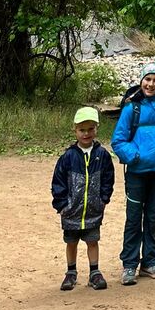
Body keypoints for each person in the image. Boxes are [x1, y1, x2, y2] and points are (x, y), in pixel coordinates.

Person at [111, 61, 155, 286]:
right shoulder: (132, 108)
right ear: (141, 81)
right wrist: (135, 156)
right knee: (133, 219)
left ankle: (150, 262)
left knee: (151, 217)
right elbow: (119, 140)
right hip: (137, 174)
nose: (151, 84)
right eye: (147, 79)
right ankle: (129, 264)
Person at [51, 106, 115, 291]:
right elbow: (58, 181)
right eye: (82, 129)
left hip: (93, 209)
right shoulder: (68, 157)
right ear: (75, 130)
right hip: (71, 211)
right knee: (71, 242)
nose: (86, 133)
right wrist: (62, 204)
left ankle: (94, 273)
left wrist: (103, 199)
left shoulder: (102, 155)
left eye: (90, 129)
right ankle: (71, 272)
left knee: (92, 240)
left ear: (96, 129)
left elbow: (108, 178)